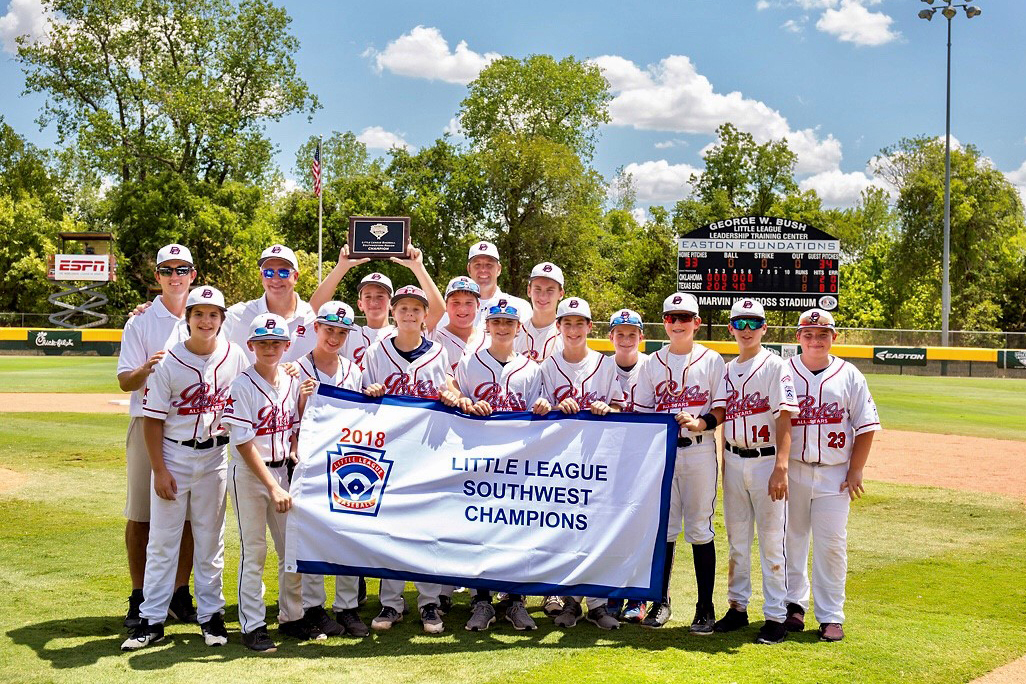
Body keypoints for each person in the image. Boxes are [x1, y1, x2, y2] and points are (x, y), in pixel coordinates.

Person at [121, 286, 249, 651]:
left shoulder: (235, 356)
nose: (205, 321)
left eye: (213, 315)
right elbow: (151, 420)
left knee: (211, 543)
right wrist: (159, 471)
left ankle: (212, 618)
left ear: (222, 320)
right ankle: (151, 620)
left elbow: (252, 389)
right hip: (174, 458)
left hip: (215, 459)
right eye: (198, 314)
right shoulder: (168, 362)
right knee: (163, 542)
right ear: (188, 319)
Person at [441, 301, 551, 632]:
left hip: (518, 462)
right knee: (482, 529)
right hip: (481, 459)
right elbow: (453, 390)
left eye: (509, 321)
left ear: (520, 328)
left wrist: (545, 406)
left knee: (517, 528)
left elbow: (540, 414)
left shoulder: (532, 369)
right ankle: (482, 601)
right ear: (487, 325)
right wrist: (460, 399)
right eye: (496, 321)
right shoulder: (470, 362)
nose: (502, 327)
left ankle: (515, 601)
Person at [222, 313, 326, 652]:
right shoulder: (241, 385)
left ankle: (292, 617)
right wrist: (273, 485)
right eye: (263, 342)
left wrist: (293, 455)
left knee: (291, 550)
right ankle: (252, 626)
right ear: (251, 345)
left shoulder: (292, 379)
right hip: (252, 475)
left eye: (276, 342)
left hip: (283, 471)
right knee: (254, 551)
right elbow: (242, 442)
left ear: (287, 345)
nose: (270, 348)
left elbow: (295, 426)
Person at [782, 308, 880, 643]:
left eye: (822, 334)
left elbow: (866, 425)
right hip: (793, 470)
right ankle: (793, 606)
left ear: (833, 337)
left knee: (831, 545)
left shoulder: (849, 375)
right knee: (790, 541)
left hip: (834, 475)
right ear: (798, 338)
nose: (815, 340)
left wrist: (856, 468)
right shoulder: (785, 372)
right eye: (808, 334)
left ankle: (831, 616)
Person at [631, 292, 726, 632]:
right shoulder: (651, 364)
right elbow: (641, 413)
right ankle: (660, 602)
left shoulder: (712, 360)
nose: (678, 323)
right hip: (664, 454)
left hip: (699, 450)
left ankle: (705, 607)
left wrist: (701, 423)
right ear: (664, 322)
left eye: (685, 317)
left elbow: (719, 408)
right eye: (671, 318)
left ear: (697, 323)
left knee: (700, 528)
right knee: (665, 529)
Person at [116, 243, 198, 629]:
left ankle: (180, 593)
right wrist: (148, 368)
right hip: (147, 421)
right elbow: (123, 381)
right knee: (141, 516)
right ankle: (139, 595)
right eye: (167, 270)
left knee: (186, 518)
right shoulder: (141, 321)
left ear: (193, 275)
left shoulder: (208, 314)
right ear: (158, 277)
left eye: (182, 269)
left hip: (190, 426)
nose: (175, 276)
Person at [362, 285, 451, 634]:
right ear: (393, 313)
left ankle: (429, 604)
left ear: (425, 315)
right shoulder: (376, 351)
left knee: (427, 528)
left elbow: (450, 389)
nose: (410, 315)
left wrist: (451, 393)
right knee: (391, 530)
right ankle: (391, 603)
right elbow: (362, 399)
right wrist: (371, 394)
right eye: (403, 308)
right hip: (390, 451)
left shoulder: (439, 353)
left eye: (417, 309)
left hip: (428, 452)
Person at [711, 298, 798, 644]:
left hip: (765, 461)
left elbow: (785, 417)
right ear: (731, 328)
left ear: (764, 328)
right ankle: (737, 607)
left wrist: (781, 466)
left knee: (772, 542)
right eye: (740, 324)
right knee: (737, 540)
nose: (746, 330)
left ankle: (776, 616)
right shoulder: (727, 370)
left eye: (753, 323)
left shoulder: (777, 367)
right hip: (732, 459)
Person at [538, 297, 624, 631]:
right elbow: (536, 409)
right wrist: (551, 406)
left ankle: (598, 604)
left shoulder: (605, 365)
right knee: (566, 531)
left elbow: (622, 410)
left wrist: (606, 409)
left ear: (590, 327)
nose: (573, 330)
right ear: (558, 327)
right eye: (567, 323)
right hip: (561, 463)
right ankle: (571, 602)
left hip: (597, 459)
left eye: (579, 323)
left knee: (596, 529)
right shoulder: (546, 366)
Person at [295, 302, 370, 639]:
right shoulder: (295, 369)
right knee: (311, 535)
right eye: (329, 329)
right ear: (316, 328)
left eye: (342, 332)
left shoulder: (353, 371)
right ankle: (313, 607)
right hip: (307, 463)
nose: (335, 336)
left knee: (347, 534)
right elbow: (288, 419)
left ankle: (348, 607)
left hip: (345, 461)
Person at [309, 245, 444, 365]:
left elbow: (438, 310)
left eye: (380, 296)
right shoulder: (348, 333)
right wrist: (341, 267)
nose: (374, 302)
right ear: (360, 304)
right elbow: (316, 307)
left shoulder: (406, 331)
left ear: (392, 303)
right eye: (368, 296)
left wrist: (418, 267)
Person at [606, 308, 649, 624]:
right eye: (619, 333)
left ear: (641, 338)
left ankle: (637, 596)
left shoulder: (652, 367)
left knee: (640, 527)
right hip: (610, 459)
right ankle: (610, 593)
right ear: (611, 337)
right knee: (610, 526)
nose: (625, 338)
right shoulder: (600, 367)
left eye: (631, 333)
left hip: (645, 459)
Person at [223, 244, 317, 363]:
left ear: (296, 276)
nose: (275, 279)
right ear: (261, 276)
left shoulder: (313, 318)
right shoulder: (236, 316)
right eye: (269, 272)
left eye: (283, 272)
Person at [432, 276, 489, 373]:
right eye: (456, 302)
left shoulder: (489, 341)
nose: (462, 309)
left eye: (469, 303)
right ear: (446, 305)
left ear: (478, 306)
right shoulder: (436, 340)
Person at [514, 262, 564, 362]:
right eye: (537, 289)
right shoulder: (515, 333)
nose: (543, 296)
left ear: (561, 294)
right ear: (529, 291)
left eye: (550, 290)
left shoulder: (568, 335)